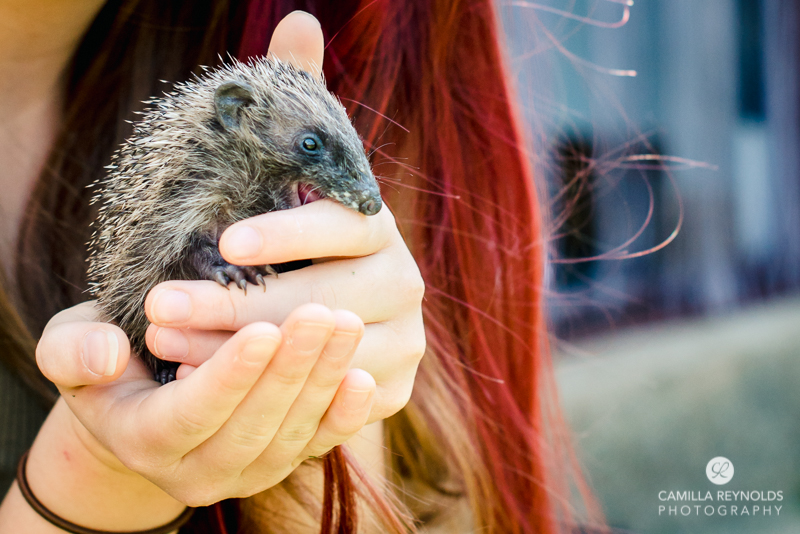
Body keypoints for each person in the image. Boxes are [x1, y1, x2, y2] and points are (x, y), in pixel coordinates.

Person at [0, 1, 596, 533]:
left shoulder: (378, 51)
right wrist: (101, 468)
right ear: (236, 118)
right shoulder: (198, 178)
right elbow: (178, 247)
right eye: (311, 147)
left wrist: (335, 415)